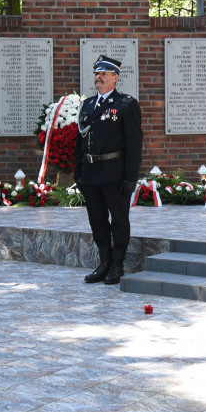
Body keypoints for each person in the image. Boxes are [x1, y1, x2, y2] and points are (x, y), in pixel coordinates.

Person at [74, 55, 143, 285]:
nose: (99, 77)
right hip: (91, 173)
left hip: (115, 173)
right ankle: (103, 263)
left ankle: (117, 264)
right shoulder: (87, 105)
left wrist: (130, 178)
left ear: (115, 77)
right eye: (97, 73)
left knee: (119, 221)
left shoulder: (125, 104)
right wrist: (78, 173)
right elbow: (79, 142)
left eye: (104, 74)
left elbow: (134, 144)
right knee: (97, 220)